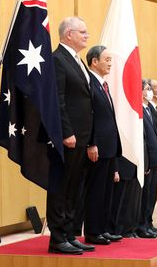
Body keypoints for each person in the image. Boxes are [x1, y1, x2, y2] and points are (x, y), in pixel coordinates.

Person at [48, 16, 95, 254]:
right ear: (69, 34)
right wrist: (66, 132)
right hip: (68, 138)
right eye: (83, 32)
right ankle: (57, 238)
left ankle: (69, 233)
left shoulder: (76, 61)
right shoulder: (57, 60)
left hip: (83, 137)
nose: (87, 36)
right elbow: (58, 99)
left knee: (74, 188)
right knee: (61, 187)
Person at [84, 45, 123, 245]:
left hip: (109, 147)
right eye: (106, 59)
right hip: (97, 147)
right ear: (94, 62)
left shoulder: (104, 85)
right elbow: (90, 117)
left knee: (107, 191)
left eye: (111, 59)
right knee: (96, 191)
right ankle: (93, 231)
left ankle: (103, 228)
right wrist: (93, 143)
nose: (110, 63)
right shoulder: (89, 83)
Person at [137, 79, 157, 238]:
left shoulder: (149, 109)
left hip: (155, 159)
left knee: (152, 195)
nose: (150, 92)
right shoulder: (139, 110)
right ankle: (142, 226)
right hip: (147, 160)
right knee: (145, 195)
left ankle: (148, 223)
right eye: (146, 89)